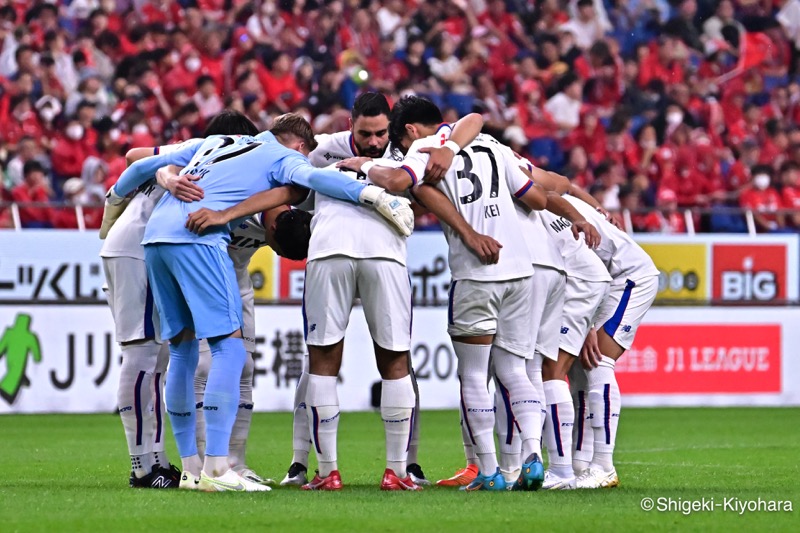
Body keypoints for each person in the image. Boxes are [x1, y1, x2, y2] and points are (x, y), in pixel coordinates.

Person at [106, 113, 414, 492]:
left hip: (156, 238)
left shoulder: (219, 142)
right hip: (195, 238)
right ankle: (217, 470)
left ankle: (191, 469)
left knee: (183, 353)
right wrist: (375, 195)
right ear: (300, 145)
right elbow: (316, 178)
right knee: (230, 352)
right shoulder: (284, 157)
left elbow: (145, 162)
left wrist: (114, 200)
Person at [345, 96, 600, 491]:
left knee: (474, 375)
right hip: (521, 271)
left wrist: (365, 165)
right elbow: (534, 196)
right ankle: (533, 453)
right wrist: (573, 213)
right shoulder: (492, 146)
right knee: (517, 370)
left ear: (410, 130)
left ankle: (490, 470)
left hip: (476, 272)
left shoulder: (421, 149)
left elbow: (400, 183)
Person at [280, 92, 485, 488]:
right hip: (338, 251)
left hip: (368, 255)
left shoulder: (409, 149)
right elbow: (282, 161)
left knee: (388, 362)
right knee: (327, 361)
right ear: (351, 123)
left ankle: (395, 469)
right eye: (365, 133)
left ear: (391, 125)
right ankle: (324, 469)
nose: (374, 141)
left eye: (380, 133)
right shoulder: (323, 147)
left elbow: (464, 124)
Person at [100, 111, 280, 489]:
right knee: (144, 354)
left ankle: (159, 460)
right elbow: (135, 156)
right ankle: (144, 466)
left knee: (163, 355)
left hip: (140, 244)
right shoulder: (201, 154)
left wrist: (119, 198)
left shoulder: (198, 157)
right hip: (141, 245)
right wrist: (130, 192)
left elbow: (140, 162)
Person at [567, 196, 659, 489]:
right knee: (579, 369)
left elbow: (585, 272)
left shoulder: (539, 211)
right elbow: (565, 183)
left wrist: (589, 323)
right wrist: (595, 206)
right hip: (604, 278)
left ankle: (604, 465)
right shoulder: (537, 183)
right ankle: (580, 464)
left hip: (629, 277)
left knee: (597, 361)